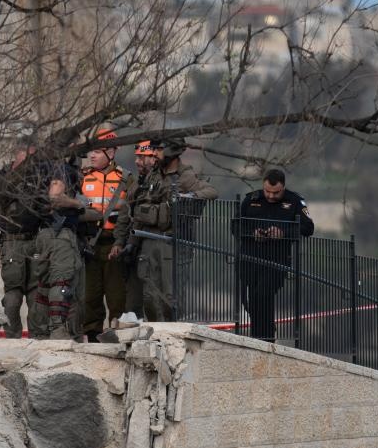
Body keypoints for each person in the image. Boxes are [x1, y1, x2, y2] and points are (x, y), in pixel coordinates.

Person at [110, 138, 218, 322]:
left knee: (170, 297)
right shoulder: (153, 175)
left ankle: (170, 332)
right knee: (149, 297)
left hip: (171, 241)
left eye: (159, 150)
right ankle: (155, 332)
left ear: (171, 151)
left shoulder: (185, 175)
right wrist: (130, 243)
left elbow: (211, 191)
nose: (155, 154)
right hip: (148, 240)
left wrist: (187, 196)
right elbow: (139, 212)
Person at [236, 168, 314, 342]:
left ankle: (266, 338)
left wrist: (283, 233)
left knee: (264, 293)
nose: (271, 196)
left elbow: (308, 228)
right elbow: (236, 226)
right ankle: (259, 338)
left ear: (283, 187)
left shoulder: (295, 201)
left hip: (277, 260)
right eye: (267, 191)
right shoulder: (251, 199)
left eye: (276, 192)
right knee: (253, 300)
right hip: (251, 259)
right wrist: (253, 233)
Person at [0, 134, 50, 338]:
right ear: (18, 153)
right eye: (29, 156)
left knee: (36, 294)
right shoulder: (4, 177)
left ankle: (38, 336)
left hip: (34, 240)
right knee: (12, 298)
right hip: (12, 242)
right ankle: (12, 336)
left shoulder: (40, 178)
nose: (32, 162)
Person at [80, 129, 126, 342]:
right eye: (91, 151)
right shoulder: (84, 177)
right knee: (90, 294)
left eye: (97, 151)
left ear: (111, 152)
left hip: (114, 242)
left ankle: (117, 334)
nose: (92, 155)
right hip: (89, 244)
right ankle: (92, 334)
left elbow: (129, 212)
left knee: (116, 295)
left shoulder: (126, 179)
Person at [35, 162, 86, 339]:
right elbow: (55, 196)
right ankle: (57, 329)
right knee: (61, 283)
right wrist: (76, 203)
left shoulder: (47, 167)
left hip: (49, 234)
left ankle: (42, 332)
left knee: (46, 286)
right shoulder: (61, 168)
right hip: (60, 235)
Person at [120, 140, 157, 318]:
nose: (137, 161)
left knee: (153, 299)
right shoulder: (136, 184)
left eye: (142, 157)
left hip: (153, 247)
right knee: (132, 303)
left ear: (153, 158)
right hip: (134, 248)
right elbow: (125, 214)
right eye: (137, 157)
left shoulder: (161, 182)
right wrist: (120, 242)